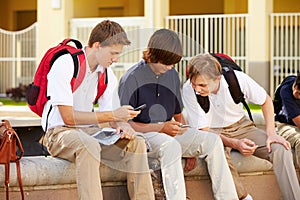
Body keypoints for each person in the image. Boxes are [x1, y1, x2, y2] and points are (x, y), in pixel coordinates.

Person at [118, 29, 238, 200]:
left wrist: (189, 144)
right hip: (142, 135)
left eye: (173, 64)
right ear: (154, 56)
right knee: (171, 146)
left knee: (212, 141)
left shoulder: (172, 75)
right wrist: (161, 127)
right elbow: (127, 125)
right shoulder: (131, 78)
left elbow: (177, 114)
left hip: (167, 131)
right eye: (167, 63)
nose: (171, 68)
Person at [42, 20, 155, 200]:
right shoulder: (66, 64)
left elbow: (111, 116)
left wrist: (123, 125)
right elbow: (68, 118)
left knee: (137, 143)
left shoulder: (107, 75)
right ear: (97, 46)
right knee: (89, 145)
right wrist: (113, 115)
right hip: (59, 133)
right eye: (113, 53)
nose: (116, 59)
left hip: (90, 133)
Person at [182, 53, 300, 200]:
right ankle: (244, 197)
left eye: (202, 85)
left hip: (242, 127)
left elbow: (265, 101)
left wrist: (271, 134)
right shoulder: (188, 90)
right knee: (217, 154)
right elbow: (203, 131)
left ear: (218, 78)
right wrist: (236, 144)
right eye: (194, 84)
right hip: (212, 132)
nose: (197, 89)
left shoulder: (236, 78)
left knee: (280, 149)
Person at [274, 73, 300, 169]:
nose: (297, 94)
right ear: (295, 83)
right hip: (283, 125)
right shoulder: (285, 90)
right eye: (297, 91)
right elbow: (298, 121)